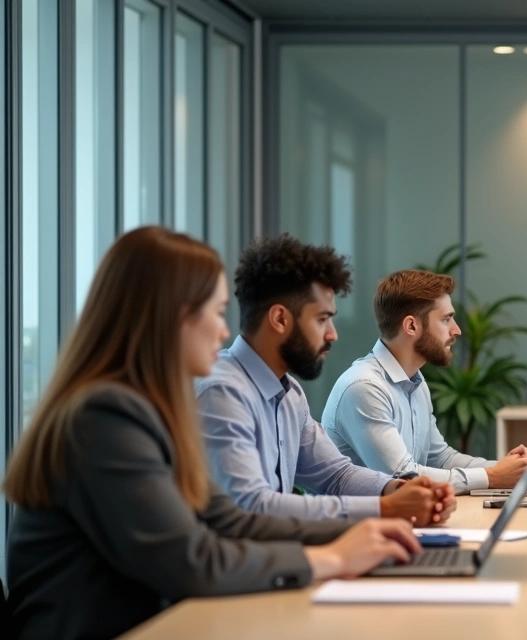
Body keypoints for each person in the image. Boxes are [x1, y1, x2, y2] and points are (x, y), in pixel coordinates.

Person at [0, 228, 422, 640]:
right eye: (216, 312)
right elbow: (192, 561)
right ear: (173, 317)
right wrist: (330, 558)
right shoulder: (105, 418)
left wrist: (368, 530)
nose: (225, 332)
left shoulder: (152, 410)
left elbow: (229, 519)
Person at [196, 235, 455, 524]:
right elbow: (253, 506)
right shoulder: (222, 392)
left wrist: (397, 489)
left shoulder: (289, 393)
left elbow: (336, 475)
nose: (332, 334)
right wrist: (388, 508)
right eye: (322, 319)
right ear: (280, 319)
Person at [323, 269, 527, 495]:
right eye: (446, 319)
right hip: (355, 527)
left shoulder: (415, 381)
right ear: (411, 326)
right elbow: (402, 477)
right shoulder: (364, 387)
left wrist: (506, 469)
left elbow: (440, 458)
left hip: (395, 521)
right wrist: (491, 477)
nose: (457, 330)